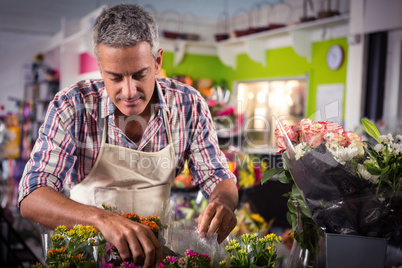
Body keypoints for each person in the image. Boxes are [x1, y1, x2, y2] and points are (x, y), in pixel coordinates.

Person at [18, 4, 238, 268]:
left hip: (155, 255)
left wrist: (223, 201)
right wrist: (102, 220)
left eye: (139, 74)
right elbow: (31, 195)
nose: (129, 91)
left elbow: (218, 175)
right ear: (100, 70)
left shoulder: (187, 103)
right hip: (88, 256)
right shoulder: (72, 105)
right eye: (115, 78)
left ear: (157, 62)